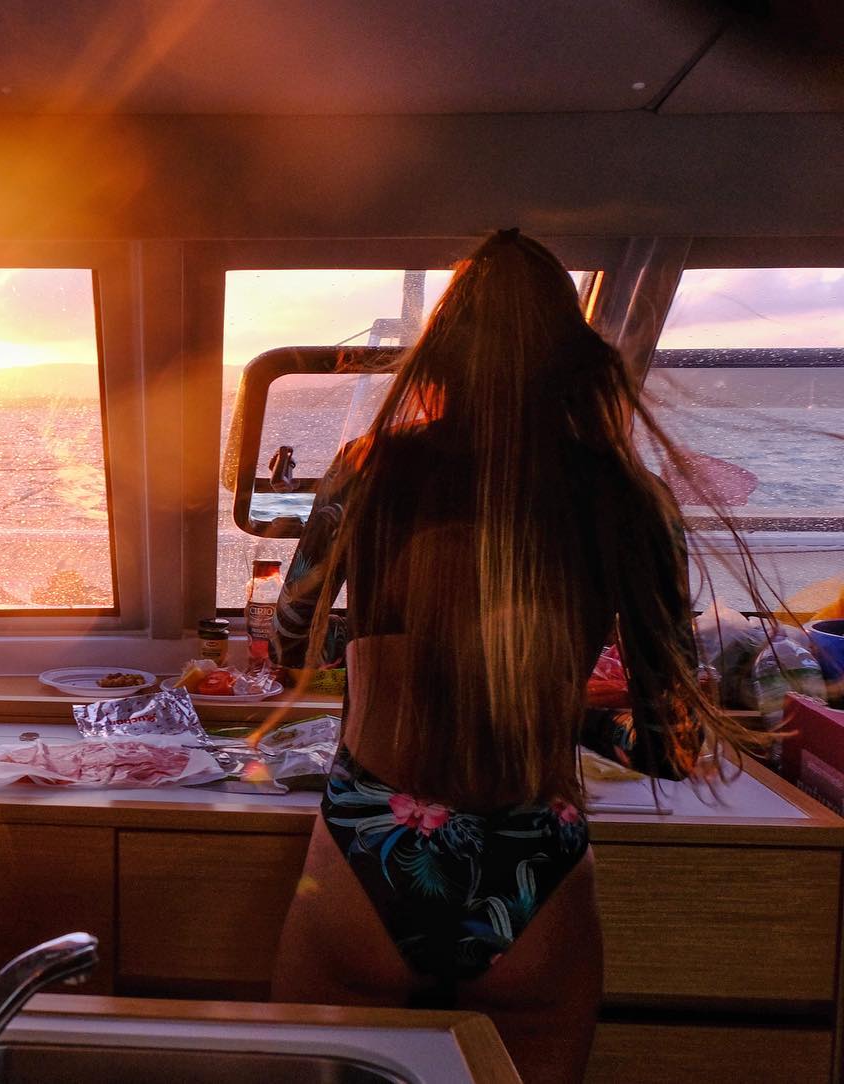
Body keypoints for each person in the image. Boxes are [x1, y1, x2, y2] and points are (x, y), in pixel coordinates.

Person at [267, 229, 768, 1084]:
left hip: (368, 849)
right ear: (575, 359)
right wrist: (561, 707)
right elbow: (671, 747)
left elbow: (288, 650)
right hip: (536, 862)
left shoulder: (366, 469)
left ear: (443, 352)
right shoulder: (628, 497)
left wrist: (395, 658)